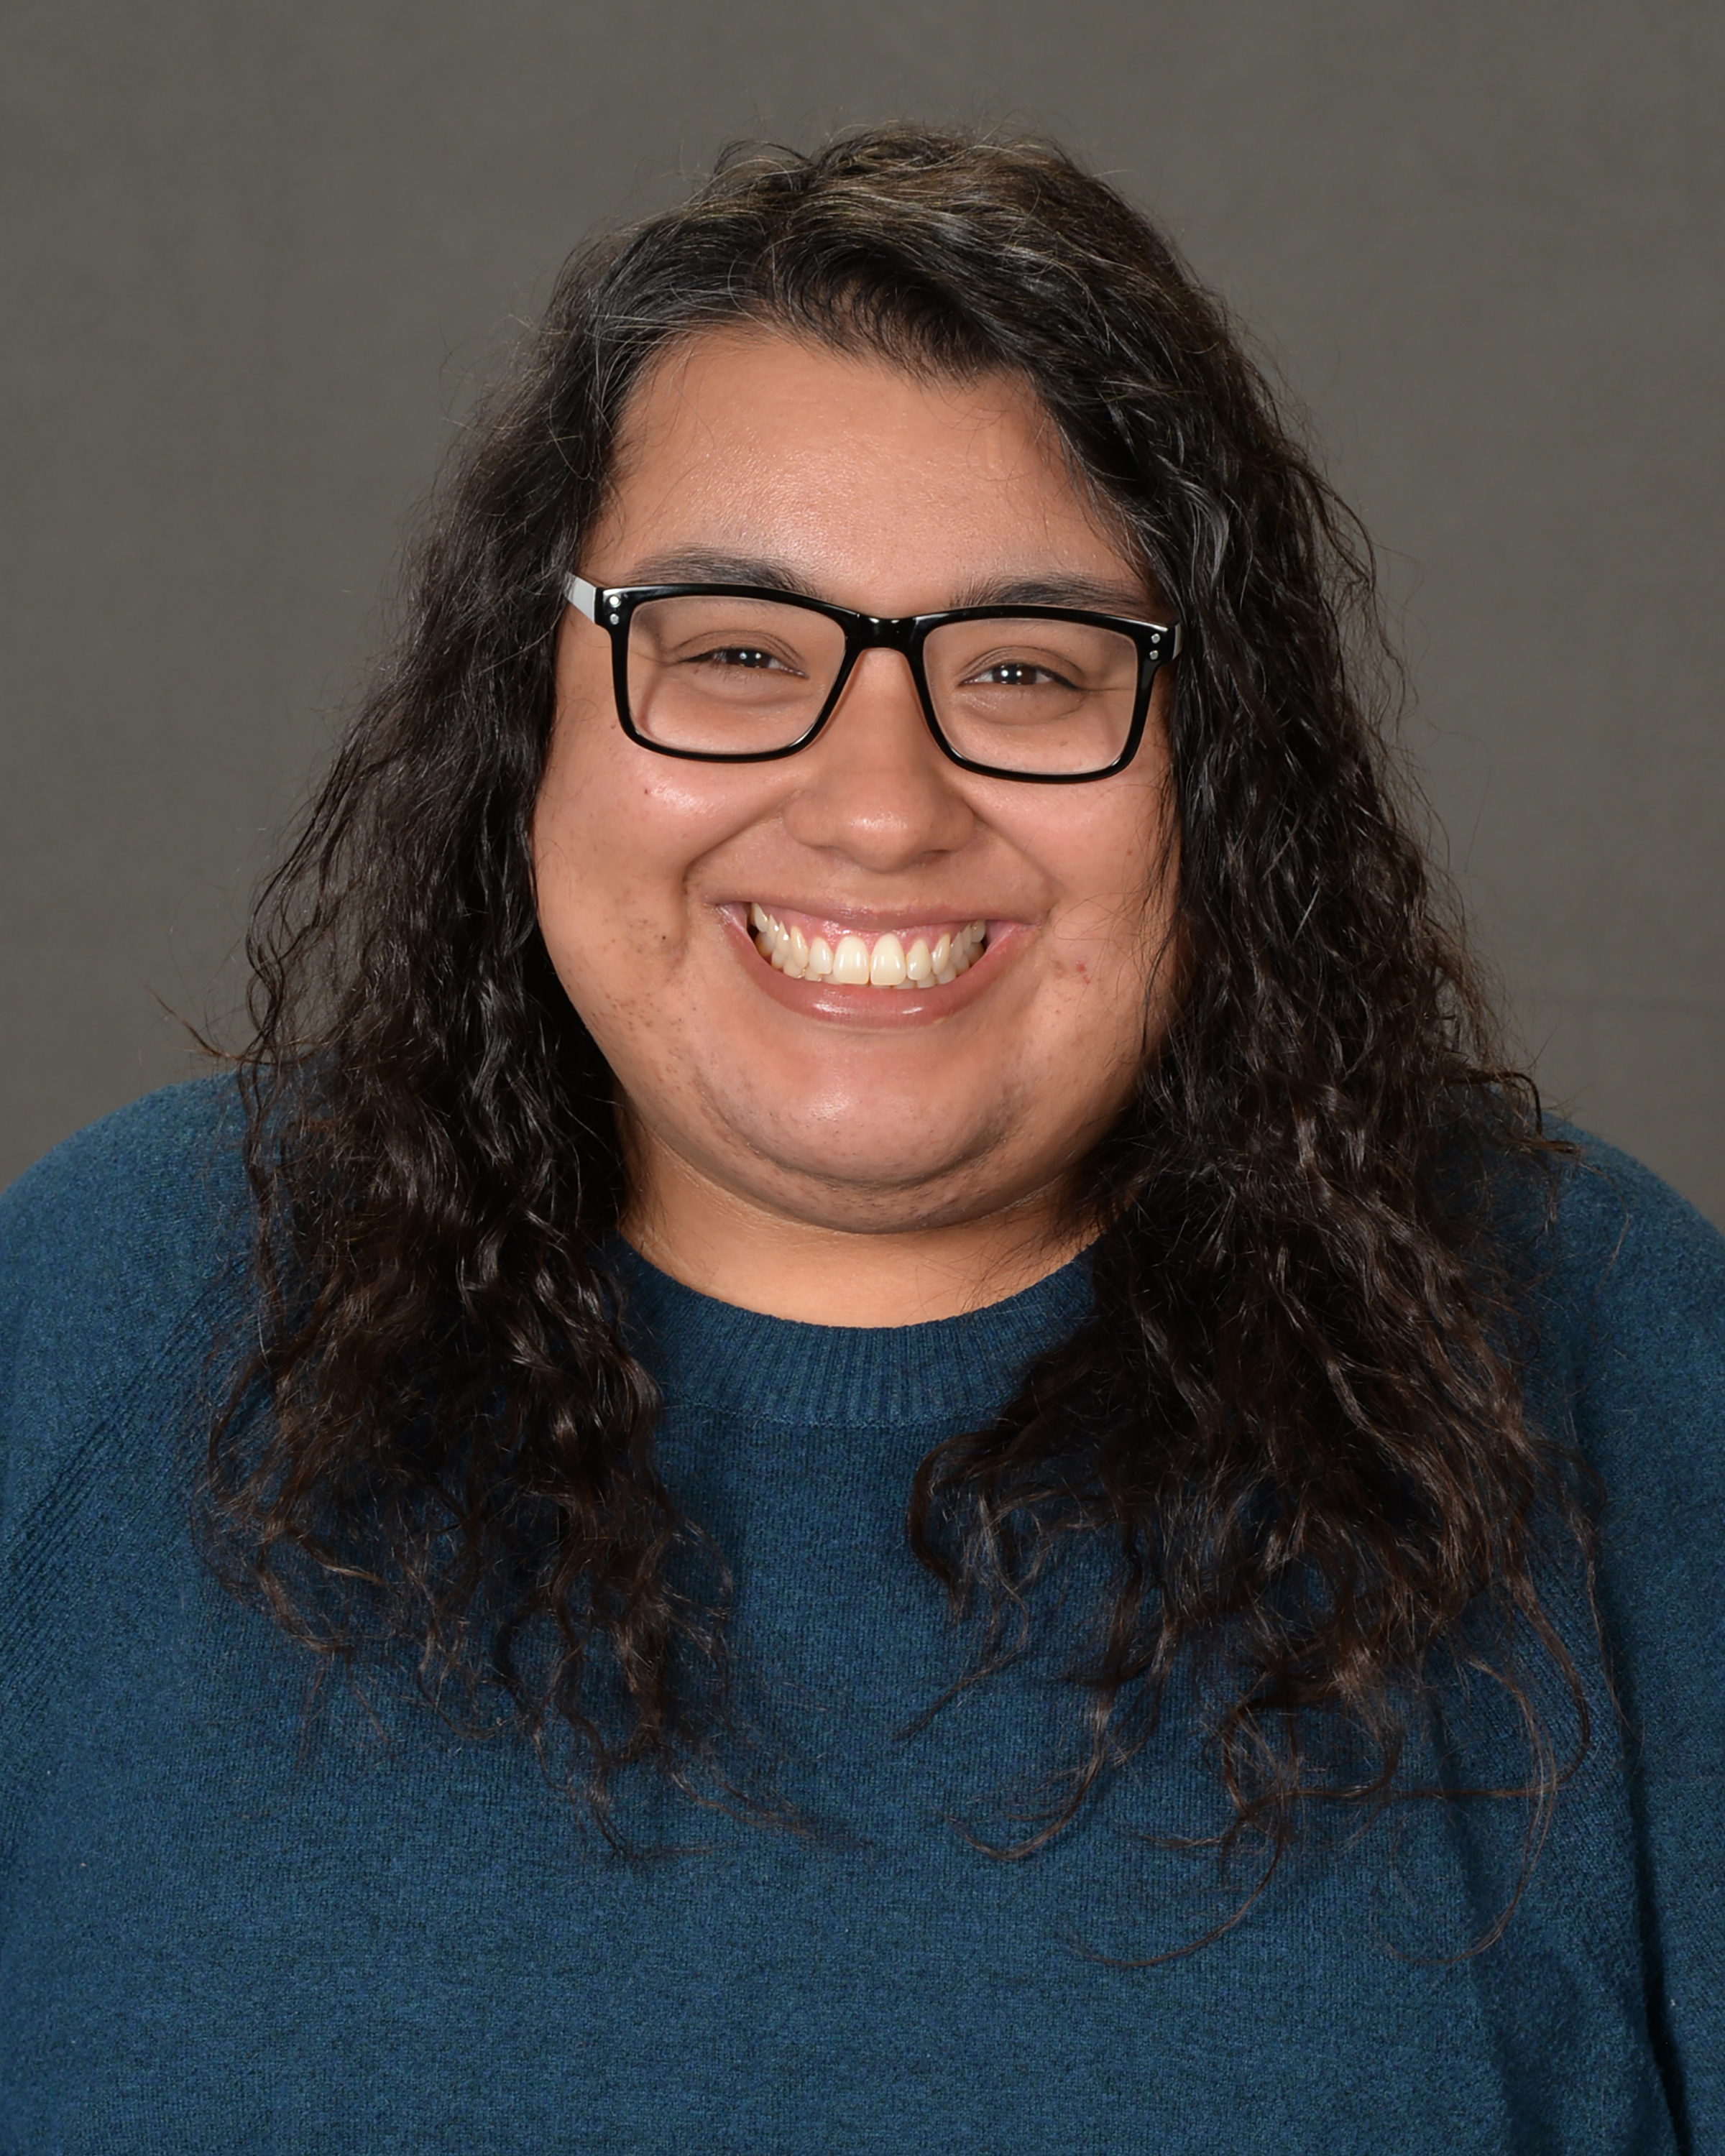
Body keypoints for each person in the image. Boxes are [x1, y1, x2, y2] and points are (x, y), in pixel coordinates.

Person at [1, 125, 1720, 2154]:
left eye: (1029, 670)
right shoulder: (105, 1314)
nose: (882, 807)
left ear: (1217, 771)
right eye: (736, 650)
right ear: (528, 714)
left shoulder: (1609, 1361)